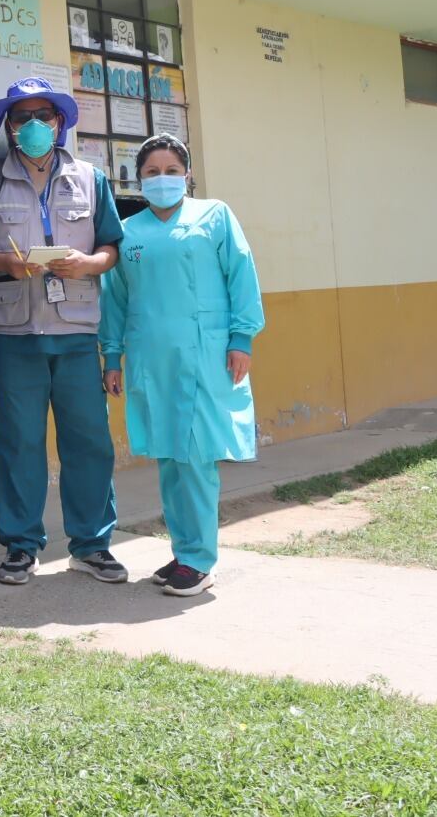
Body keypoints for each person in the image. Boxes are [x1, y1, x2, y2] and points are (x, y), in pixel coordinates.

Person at [0, 77, 128, 586]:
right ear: (8, 128)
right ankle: (20, 545)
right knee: (17, 442)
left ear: (60, 123)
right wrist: (3, 264)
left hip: (78, 332)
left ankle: (92, 544)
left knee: (89, 441)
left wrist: (88, 264)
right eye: (22, 117)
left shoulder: (90, 177)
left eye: (45, 116)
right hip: (13, 333)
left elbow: (111, 248)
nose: (34, 125)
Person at [100, 134, 264, 597]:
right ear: (138, 179)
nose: (163, 180)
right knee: (170, 456)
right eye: (152, 173)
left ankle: (199, 559)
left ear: (187, 176)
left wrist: (241, 337)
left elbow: (241, 273)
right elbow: (116, 298)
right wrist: (111, 355)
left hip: (204, 354)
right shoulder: (129, 232)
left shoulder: (214, 216)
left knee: (195, 456)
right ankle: (185, 549)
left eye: (172, 171)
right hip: (151, 358)